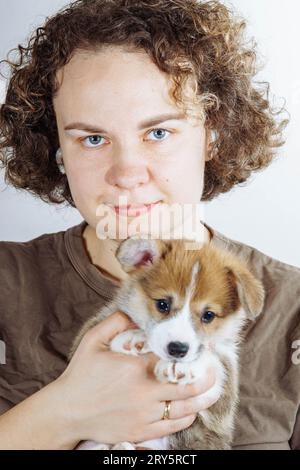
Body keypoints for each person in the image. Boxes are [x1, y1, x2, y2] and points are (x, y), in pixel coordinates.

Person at [0, 0, 299, 450]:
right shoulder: (7, 280)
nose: (126, 172)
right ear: (56, 147)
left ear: (212, 135)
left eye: (158, 132)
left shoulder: (291, 308)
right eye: (93, 138)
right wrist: (63, 411)